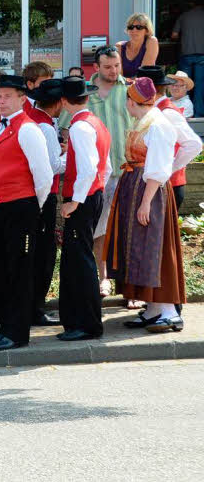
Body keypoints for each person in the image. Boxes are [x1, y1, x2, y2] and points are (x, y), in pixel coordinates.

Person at [104, 77, 185, 333]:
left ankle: (169, 312)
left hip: (150, 191)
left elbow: (159, 168)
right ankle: (152, 309)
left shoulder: (158, 125)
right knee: (139, 248)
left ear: (131, 100)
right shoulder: (144, 121)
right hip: (136, 187)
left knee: (154, 248)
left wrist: (146, 202)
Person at [0, 75, 53, 351]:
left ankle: (18, 332)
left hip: (21, 206)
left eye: (7, 96)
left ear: (23, 98)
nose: (1, 100)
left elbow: (44, 175)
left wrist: (32, 207)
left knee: (19, 270)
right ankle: (6, 325)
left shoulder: (28, 128)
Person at [73, 46, 135, 299]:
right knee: (99, 230)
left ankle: (131, 287)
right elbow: (68, 129)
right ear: (96, 67)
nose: (113, 71)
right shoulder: (84, 92)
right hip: (96, 176)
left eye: (117, 65)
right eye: (107, 66)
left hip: (128, 170)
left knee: (129, 230)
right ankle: (104, 278)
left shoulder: (130, 89)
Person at [56, 76, 112, 341]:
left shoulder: (79, 127)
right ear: (87, 97)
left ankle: (87, 324)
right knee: (79, 259)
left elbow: (88, 167)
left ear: (64, 102)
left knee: (80, 262)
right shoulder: (96, 123)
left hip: (84, 198)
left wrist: (75, 201)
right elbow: (105, 165)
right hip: (94, 194)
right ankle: (81, 321)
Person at [22, 78, 67, 327]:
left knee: (36, 251)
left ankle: (31, 306)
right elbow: (53, 166)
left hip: (29, 193)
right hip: (43, 194)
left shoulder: (33, 119)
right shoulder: (46, 127)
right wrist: (72, 154)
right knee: (44, 253)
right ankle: (36, 308)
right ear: (58, 102)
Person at [138, 66, 203, 211]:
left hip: (168, 185)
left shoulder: (167, 112)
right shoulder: (158, 109)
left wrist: (169, 169)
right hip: (161, 184)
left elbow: (194, 145)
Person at [172, 0, 204, 116]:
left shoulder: (184, 16)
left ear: (192, 4)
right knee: (200, 87)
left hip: (186, 55)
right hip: (202, 56)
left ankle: (185, 114)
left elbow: (174, 35)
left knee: (183, 87)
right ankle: (198, 116)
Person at [117, 12, 159, 78]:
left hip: (143, 86)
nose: (134, 30)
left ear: (147, 30)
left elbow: (144, 73)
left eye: (139, 27)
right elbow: (119, 76)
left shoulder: (151, 41)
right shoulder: (119, 46)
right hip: (124, 86)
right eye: (131, 27)